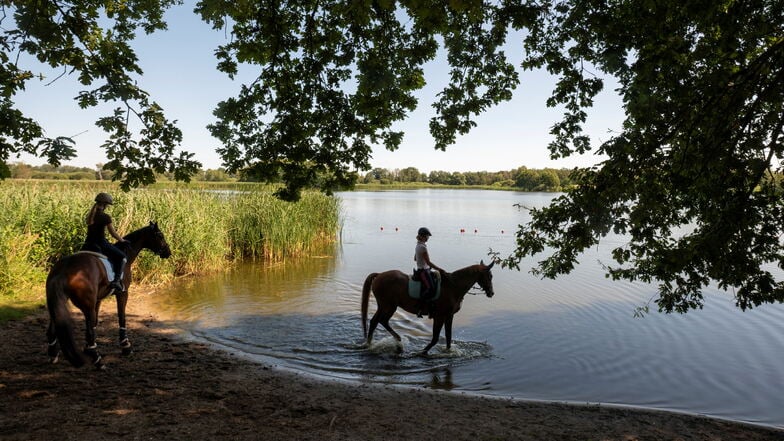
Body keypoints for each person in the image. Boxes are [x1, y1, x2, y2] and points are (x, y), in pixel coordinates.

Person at [82, 192, 128, 293]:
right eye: (107, 205)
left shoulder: (90, 215)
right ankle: (116, 281)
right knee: (122, 257)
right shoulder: (105, 217)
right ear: (105, 205)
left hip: (87, 244)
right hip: (100, 244)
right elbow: (113, 233)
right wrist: (122, 240)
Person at [414, 227, 442, 318]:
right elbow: (429, 262)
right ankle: (420, 308)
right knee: (431, 289)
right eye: (426, 236)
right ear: (422, 237)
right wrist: (439, 269)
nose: (427, 238)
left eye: (428, 236)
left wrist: (422, 261)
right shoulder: (422, 247)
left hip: (423, 269)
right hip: (423, 271)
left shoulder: (418, 245)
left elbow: (415, 259)